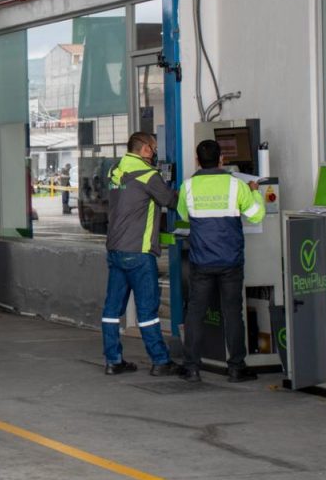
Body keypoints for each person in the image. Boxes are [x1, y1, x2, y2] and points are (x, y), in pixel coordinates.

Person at [177, 140, 265, 383]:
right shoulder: (237, 185)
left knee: (195, 312)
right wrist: (255, 191)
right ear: (222, 160)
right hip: (230, 261)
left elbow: (184, 214)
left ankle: (191, 367)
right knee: (233, 313)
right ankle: (236, 368)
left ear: (197, 160)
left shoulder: (188, 186)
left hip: (201, 261)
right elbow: (256, 215)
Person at [102, 132, 181, 376]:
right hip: (138, 251)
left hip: (115, 249)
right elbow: (170, 201)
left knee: (112, 310)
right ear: (145, 149)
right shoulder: (148, 174)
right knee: (147, 311)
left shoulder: (115, 170)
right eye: (154, 148)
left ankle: (113, 361)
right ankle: (160, 361)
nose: (155, 152)